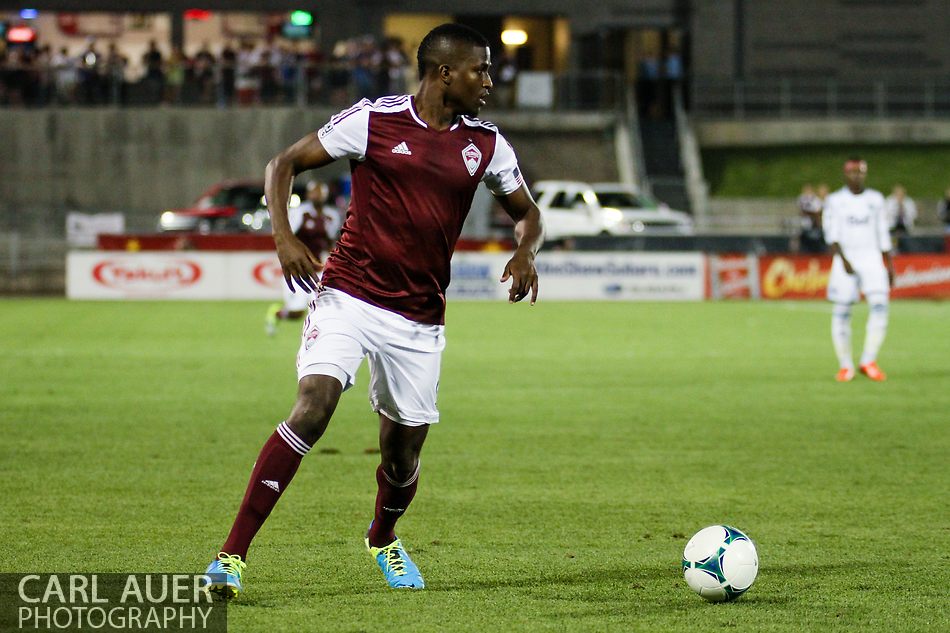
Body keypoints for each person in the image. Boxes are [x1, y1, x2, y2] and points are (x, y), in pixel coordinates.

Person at [203, 23, 543, 596]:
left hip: (419, 317)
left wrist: (525, 251)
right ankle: (229, 558)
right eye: (479, 70)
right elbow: (282, 163)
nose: (489, 80)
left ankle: (383, 536)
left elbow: (526, 211)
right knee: (313, 405)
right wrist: (283, 237)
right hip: (349, 295)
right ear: (442, 73)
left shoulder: (485, 144)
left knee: (403, 451)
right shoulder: (374, 119)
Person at [823, 158, 895, 383]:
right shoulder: (835, 200)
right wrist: (842, 258)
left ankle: (868, 360)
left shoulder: (875, 199)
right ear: (846, 174)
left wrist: (888, 263)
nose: (857, 176)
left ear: (865, 173)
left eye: (860, 172)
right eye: (853, 172)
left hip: (872, 256)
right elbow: (831, 232)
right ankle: (845, 365)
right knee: (842, 310)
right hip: (846, 257)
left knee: (880, 306)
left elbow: (882, 231)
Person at [264, 180, 341, 335]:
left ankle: (319, 336)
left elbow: (331, 242)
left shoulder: (331, 216)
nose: (317, 195)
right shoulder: (300, 213)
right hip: (298, 268)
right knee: (296, 313)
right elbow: (286, 236)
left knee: (325, 308)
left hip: (318, 269)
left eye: (320, 192)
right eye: (314, 192)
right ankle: (276, 313)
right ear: (309, 194)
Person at [797, 183, 824, 253]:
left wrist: (808, 213)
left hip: (815, 227)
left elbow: (818, 213)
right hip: (805, 227)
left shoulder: (816, 200)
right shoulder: (801, 199)